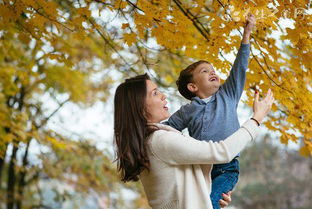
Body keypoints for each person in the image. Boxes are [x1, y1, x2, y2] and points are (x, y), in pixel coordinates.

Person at [113, 74, 274, 209]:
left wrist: (210, 195)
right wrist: (256, 119)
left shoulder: (149, 142)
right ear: (139, 106)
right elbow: (222, 152)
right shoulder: (160, 140)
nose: (163, 95)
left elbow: (180, 190)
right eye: (155, 93)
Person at [164, 14, 256, 209]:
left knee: (211, 203)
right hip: (199, 167)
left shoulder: (228, 95)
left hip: (227, 167)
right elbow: (166, 130)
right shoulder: (187, 111)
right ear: (192, 87)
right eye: (205, 71)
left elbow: (240, 68)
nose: (212, 72)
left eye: (213, 69)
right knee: (196, 203)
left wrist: (246, 35)